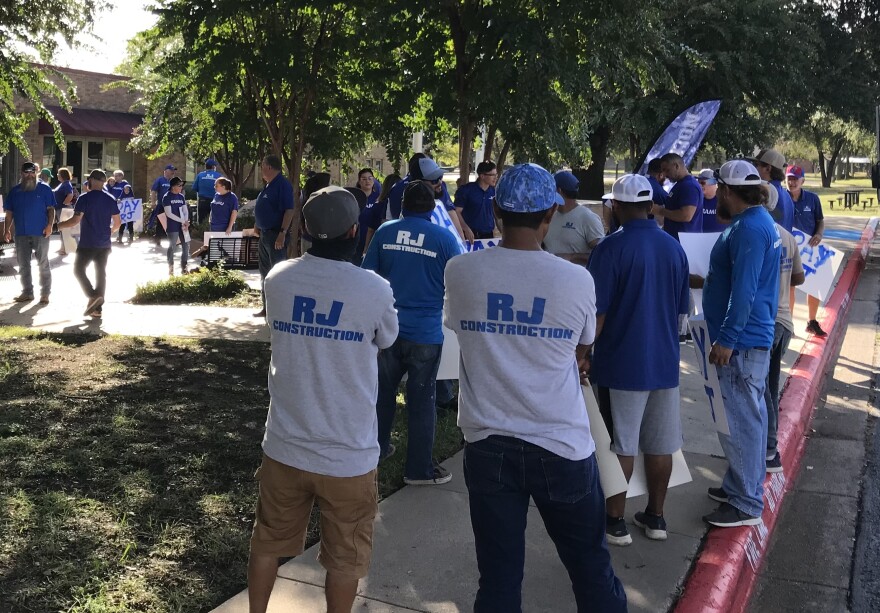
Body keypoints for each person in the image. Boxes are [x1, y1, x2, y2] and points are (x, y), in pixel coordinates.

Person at [444, 163, 627, 612]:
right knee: (589, 568)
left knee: (499, 579)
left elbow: (458, 327)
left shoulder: (461, 271)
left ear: (496, 213)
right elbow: (585, 343)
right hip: (560, 444)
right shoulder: (575, 280)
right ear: (550, 216)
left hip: (488, 444)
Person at [247, 186, 398, 613]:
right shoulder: (375, 289)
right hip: (348, 454)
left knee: (267, 541)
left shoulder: (278, 278)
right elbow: (386, 338)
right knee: (346, 557)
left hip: (285, 444)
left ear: (307, 229)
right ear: (355, 230)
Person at [588, 174, 689, 547]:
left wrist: (581, 354)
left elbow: (595, 316)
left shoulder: (610, 249)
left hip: (620, 365)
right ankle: (657, 517)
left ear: (615, 206)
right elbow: (681, 314)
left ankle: (614, 521)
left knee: (621, 443)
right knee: (661, 444)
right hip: (664, 363)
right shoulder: (673, 249)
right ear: (649, 206)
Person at [362, 180, 463, 484]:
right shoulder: (445, 239)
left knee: (382, 394)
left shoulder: (385, 231)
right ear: (433, 208)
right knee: (422, 401)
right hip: (426, 334)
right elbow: (458, 282)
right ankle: (418, 469)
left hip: (386, 332)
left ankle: (377, 450)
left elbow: (368, 277)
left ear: (402, 206)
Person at [702, 159, 780, 528]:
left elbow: (744, 291)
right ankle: (740, 483)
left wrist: (727, 339)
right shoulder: (755, 222)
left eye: (719, 188)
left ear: (729, 191)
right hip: (750, 340)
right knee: (750, 415)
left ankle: (747, 501)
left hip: (742, 342)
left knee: (742, 420)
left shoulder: (749, 229)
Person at [762, 196, 805, 474]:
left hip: (767, 321)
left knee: (760, 388)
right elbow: (799, 277)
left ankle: (768, 449)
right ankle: (770, 447)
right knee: (770, 384)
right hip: (785, 320)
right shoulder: (788, 236)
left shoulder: (759, 234)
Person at [56, 169, 121, 318]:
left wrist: (57, 226)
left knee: (78, 270)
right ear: (104, 182)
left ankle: (92, 296)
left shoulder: (84, 198)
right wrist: (109, 232)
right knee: (101, 274)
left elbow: (75, 220)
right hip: (104, 244)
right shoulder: (110, 198)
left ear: (91, 180)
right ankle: (97, 310)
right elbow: (118, 223)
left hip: (87, 243)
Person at [3, 162, 56, 304]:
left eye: (32, 172)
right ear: (22, 173)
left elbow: (51, 209)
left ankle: (45, 293)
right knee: (23, 265)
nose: (30, 175)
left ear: (36, 173)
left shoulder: (45, 189)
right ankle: (27, 292)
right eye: (27, 172)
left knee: (43, 263)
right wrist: (6, 230)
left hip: (41, 232)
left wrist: (50, 225)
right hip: (21, 233)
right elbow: (9, 213)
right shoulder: (15, 192)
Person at [786, 165, 827, 336]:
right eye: (789, 178)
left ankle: (812, 321)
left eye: (796, 178)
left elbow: (820, 220)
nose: (792, 182)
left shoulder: (812, 199)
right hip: (788, 248)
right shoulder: (781, 197)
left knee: (815, 286)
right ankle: (788, 324)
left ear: (803, 180)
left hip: (809, 249)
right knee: (790, 287)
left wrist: (818, 233)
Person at [253, 154, 295, 317]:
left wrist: (282, 233)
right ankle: (267, 308)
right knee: (265, 272)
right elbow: (264, 207)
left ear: (268, 166)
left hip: (276, 235)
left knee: (277, 273)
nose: (261, 169)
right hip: (264, 235)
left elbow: (289, 210)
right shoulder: (269, 185)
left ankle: (280, 309)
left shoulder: (282, 185)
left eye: (262, 165)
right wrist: (257, 223)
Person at [544, 170, 604, 265]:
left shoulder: (588, 218)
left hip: (576, 278)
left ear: (558, 191)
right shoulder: (548, 214)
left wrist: (571, 257)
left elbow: (602, 256)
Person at [654, 153, 703, 241]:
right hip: (677, 239)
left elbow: (686, 215)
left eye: (667, 170)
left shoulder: (689, 186)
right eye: (663, 171)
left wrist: (660, 211)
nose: (664, 175)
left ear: (676, 166)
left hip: (685, 242)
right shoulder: (681, 184)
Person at [748, 148, 794, 233]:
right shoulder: (786, 194)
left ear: (768, 169)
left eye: (756, 165)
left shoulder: (764, 192)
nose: (753, 168)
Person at [454, 161, 498, 241]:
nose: (495, 177)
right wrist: (466, 229)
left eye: (496, 174)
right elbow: (457, 211)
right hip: (470, 235)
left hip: (488, 235)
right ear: (482, 176)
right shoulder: (466, 190)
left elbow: (496, 214)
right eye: (492, 175)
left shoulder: (494, 191)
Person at [360, 173, 400, 254]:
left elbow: (371, 230)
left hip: (381, 244)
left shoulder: (378, 205)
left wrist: (366, 249)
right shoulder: (403, 204)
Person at [163, 177, 190, 276]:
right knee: (172, 246)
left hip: (183, 225)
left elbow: (185, 210)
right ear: (173, 186)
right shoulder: (167, 197)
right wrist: (182, 220)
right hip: (173, 225)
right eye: (179, 185)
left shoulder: (181, 196)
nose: (181, 187)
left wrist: (186, 221)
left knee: (186, 245)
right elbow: (169, 213)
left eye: (182, 185)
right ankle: (171, 267)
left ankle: (184, 266)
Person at [148, 164, 176, 246]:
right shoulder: (160, 180)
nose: (173, 172)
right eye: (171, 171)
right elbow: (153, 191)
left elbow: (181, 191)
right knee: (160, 222)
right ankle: (158, 239)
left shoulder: (174, 181)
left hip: (172, 205)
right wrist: (153, 202)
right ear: (166, 171)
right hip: (161, 205)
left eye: (173, 171)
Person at [53, 168, 76, 255]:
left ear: (62, 175)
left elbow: (70, 195)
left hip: (63, 209)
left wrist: (64, 203)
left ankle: (65, 248)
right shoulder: (63, 184)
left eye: (59, 174)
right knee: (61, 228)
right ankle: (62, 247)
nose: (57, 175)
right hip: (60, 208)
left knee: (64, 228)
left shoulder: (66, 184)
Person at [193, 158, 223, 224]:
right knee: (215, 221)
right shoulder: (219, 176)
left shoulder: (200, 175)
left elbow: (194, 188)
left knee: (202, 221)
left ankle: (202, 233)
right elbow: (223, 189)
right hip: (215, 201)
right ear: (213, 167)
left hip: (202, 201)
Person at [110, 170, 135, 243]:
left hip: (123, 206)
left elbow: (129, 193)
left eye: (117, 176)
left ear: (121, 176)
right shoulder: (113, 184)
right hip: (114, 204)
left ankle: (129, 237)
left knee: (125, 221)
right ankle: (116, 236)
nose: (115, 178)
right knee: (115, 221)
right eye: (115, 176)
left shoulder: (125, 184)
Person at [698, 168, 725, 232]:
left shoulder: (724, 200)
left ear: (712, 182)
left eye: (702, 183)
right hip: (699, 239)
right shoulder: (696, 200)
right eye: (698, 182)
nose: (699, 185)